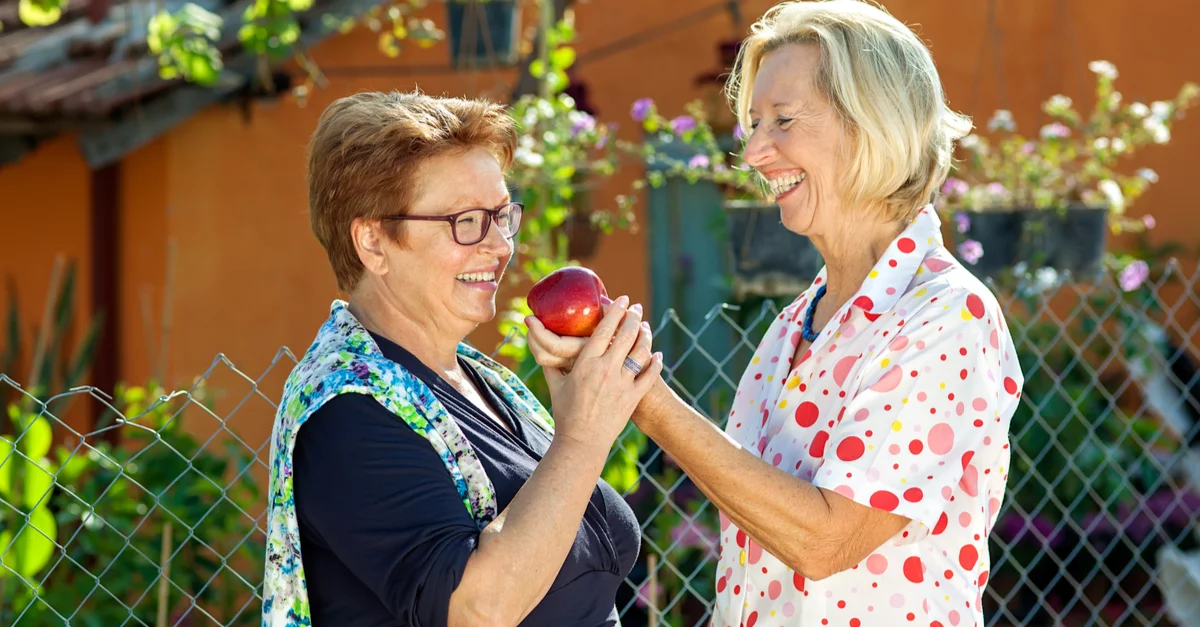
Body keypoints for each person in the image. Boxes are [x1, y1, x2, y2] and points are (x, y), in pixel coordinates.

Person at [525, 1, 1025, 626]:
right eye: (754, 123)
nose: (755, 151)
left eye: (783, 120)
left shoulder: (946, 315)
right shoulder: (799, 321)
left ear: (872, 125)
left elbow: (826, 540)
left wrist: (643, 399)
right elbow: (759, 547)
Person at [261, 90, 664, 627]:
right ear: (373, 243)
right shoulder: (346, 409)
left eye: (502, 215)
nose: (499, 245)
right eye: (466, 221)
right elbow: (475, 610)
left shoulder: (487, 382)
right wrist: (583, 437)